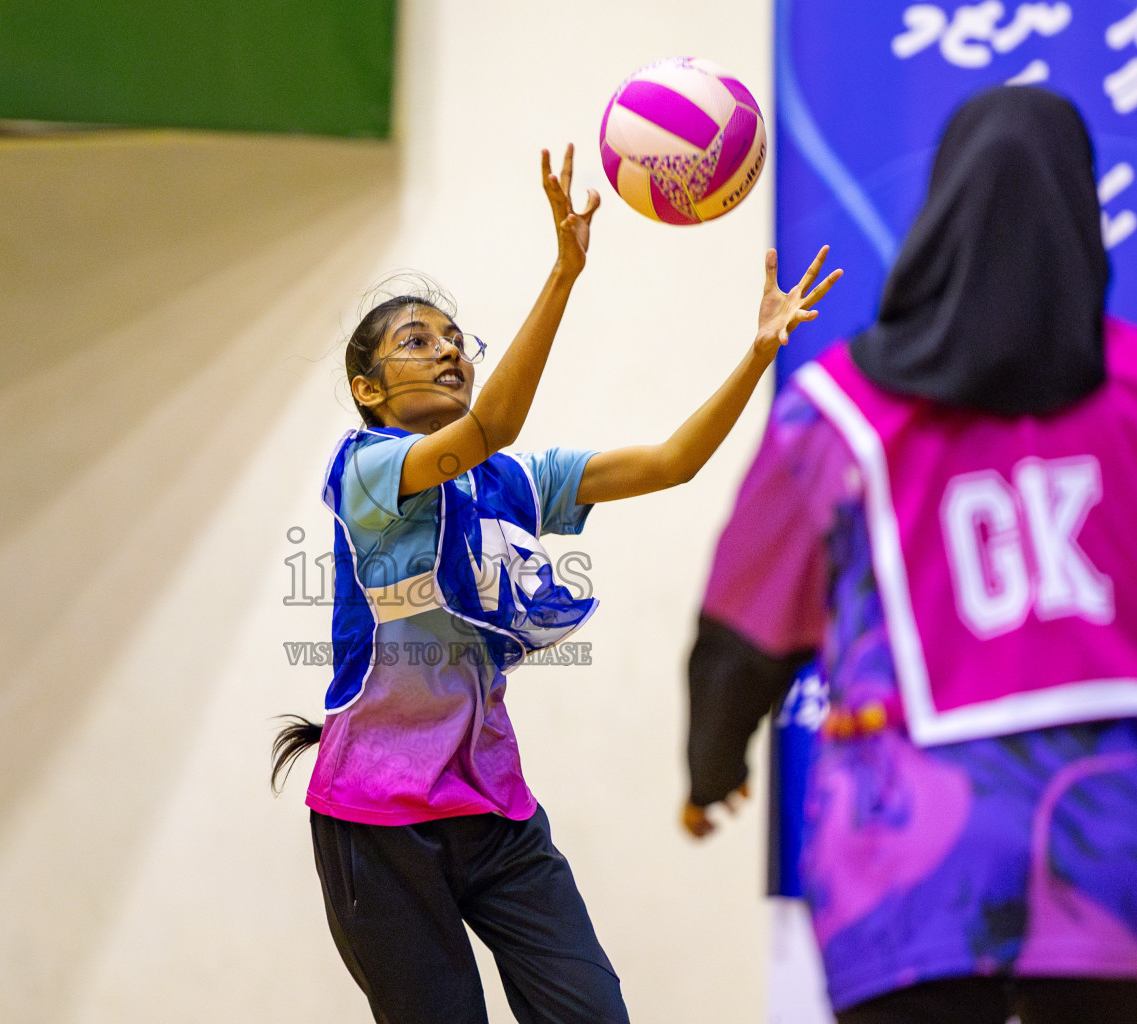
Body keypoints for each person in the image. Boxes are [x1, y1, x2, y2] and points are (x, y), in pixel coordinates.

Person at [273, 143, 840, 1024]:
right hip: (376, 825)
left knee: (592, 1013)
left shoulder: (507, 482)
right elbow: (493, 421)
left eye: (456, 339)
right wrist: (565, 272)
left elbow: (671, 462)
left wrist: (758, 354)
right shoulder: (367, 468)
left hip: (494, 813)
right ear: (367, 388)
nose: (449, 351)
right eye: (417, 342)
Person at [683, 86, 1137, 1024]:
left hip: (910, 859)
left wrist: (711, 764)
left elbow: (744, 625)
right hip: (1125, 852)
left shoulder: (838, 412)